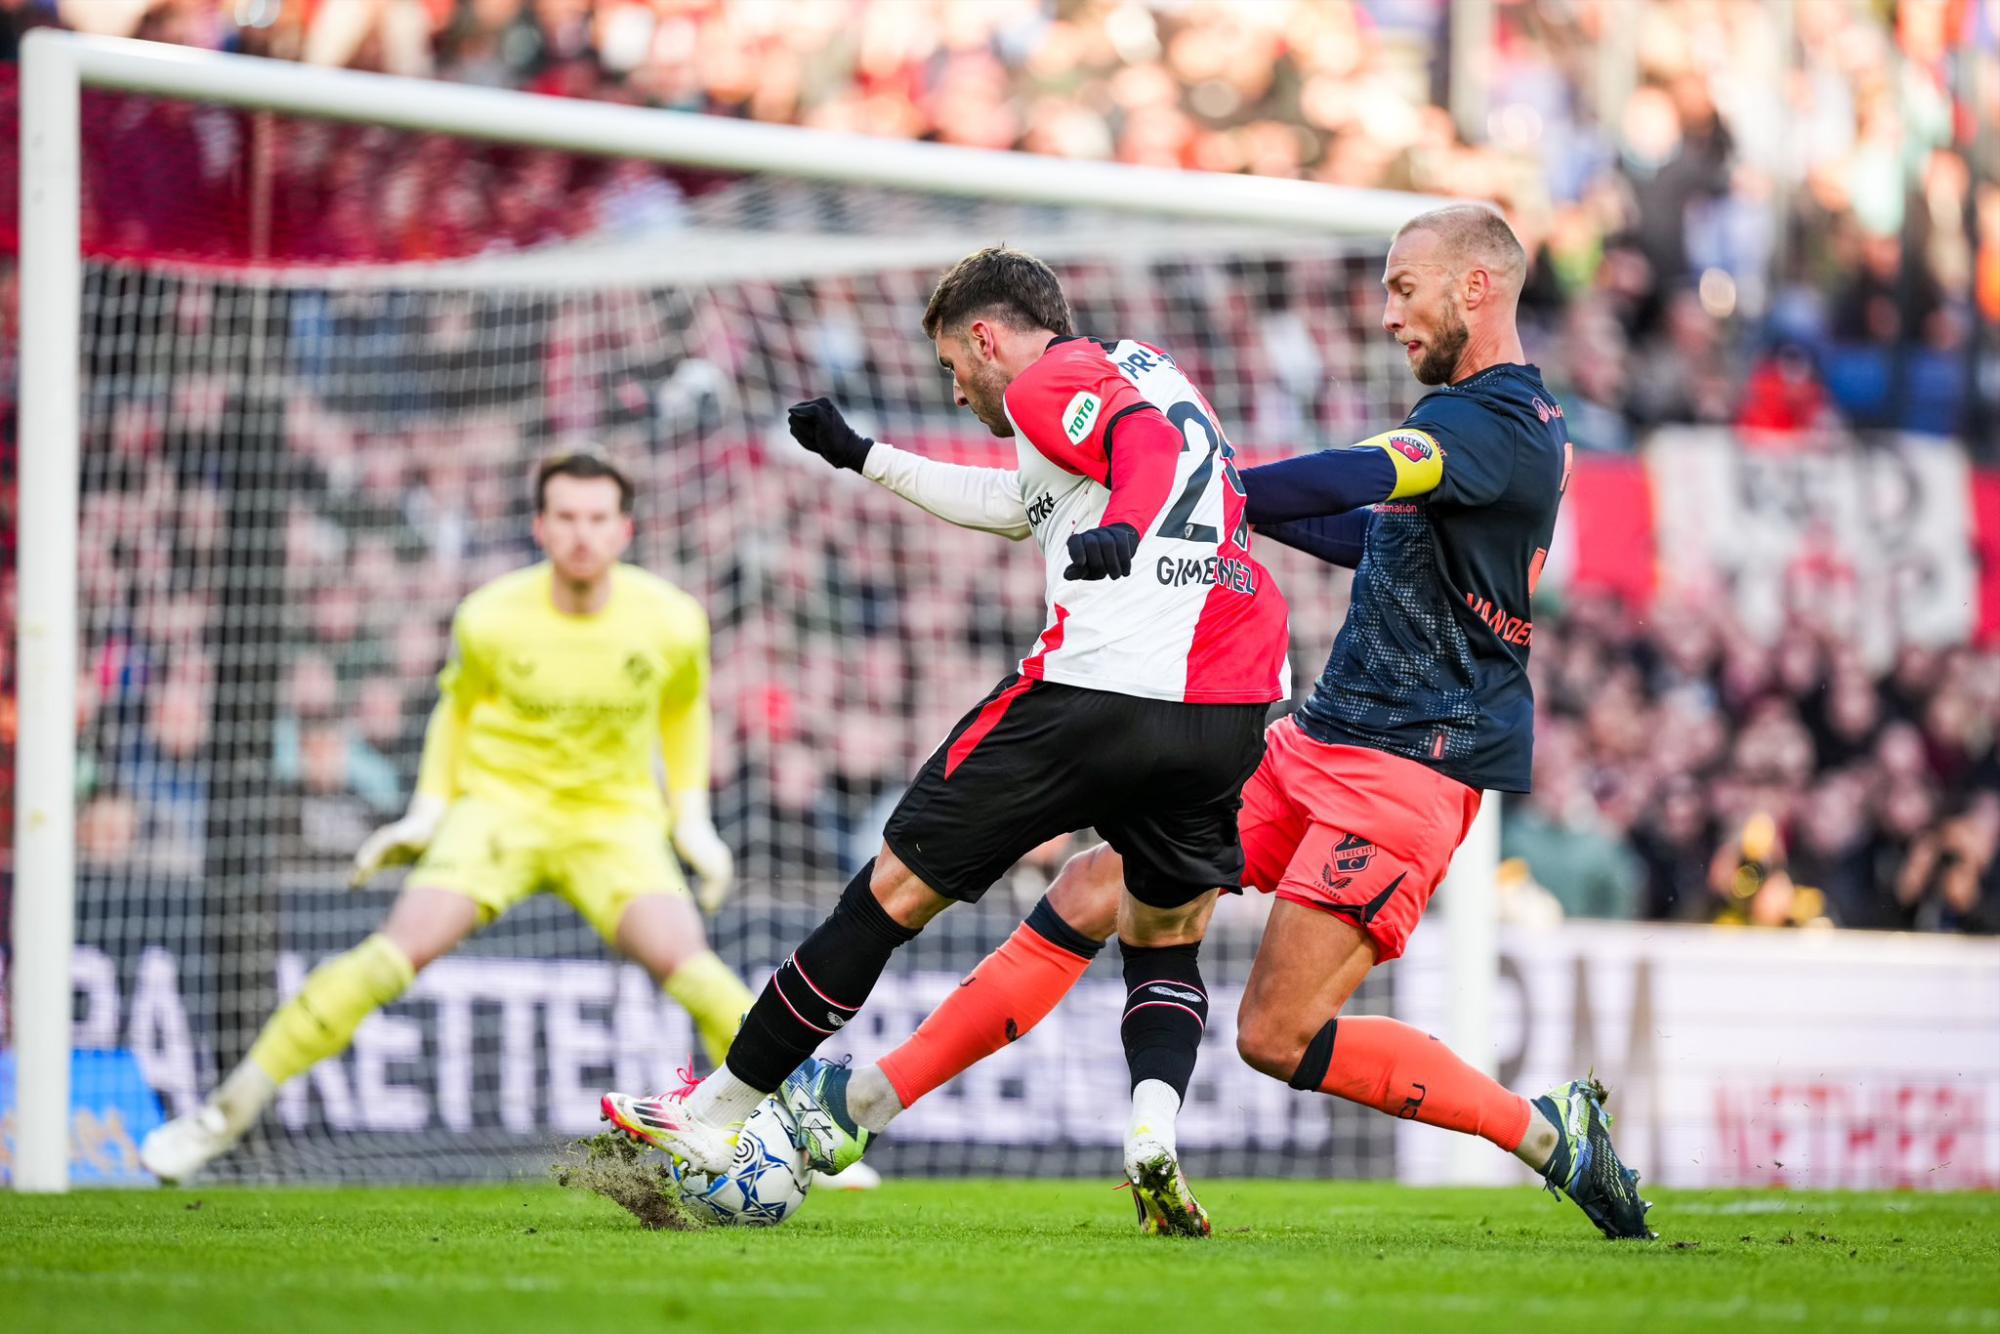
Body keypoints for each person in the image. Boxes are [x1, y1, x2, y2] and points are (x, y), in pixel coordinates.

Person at [780, 206, 1654, 1241]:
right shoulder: (1481, 434)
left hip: (1405, 774)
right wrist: (1218, 500)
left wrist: (1207, 488)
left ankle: (1547, 1133)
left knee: (1276, 1034)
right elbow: (1356, 531)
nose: (1386, 315)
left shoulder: (1490, 425)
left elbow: (1356, 474)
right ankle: (861, 1105)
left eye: (1402, 287)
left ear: (1474, 288)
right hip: (1313, 741)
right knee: (1095, 883)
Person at [602, 245, 1292, 1236]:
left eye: (950, 365)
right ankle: (1150, 1131)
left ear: (985, 335)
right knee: (1162, 929)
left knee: (889, 890)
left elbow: (1135, 451)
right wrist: (862, 455)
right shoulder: (1146, 370)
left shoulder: (1053, 376)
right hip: (1226, 705)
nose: (958, 387)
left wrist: (1129, 532)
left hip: (1100, 684)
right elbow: (1022, 508)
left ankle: (716, 1113)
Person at [141, 451, 753, 1182]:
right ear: (540, 527)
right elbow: (456, 714)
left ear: (624, 529)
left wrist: (691, 819)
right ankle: (219, 1120)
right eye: (566, 517)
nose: (582, 534)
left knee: (699, 975)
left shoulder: (672, 621)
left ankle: (778, 1138)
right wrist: (427, 813)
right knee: (388, 958)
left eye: (597, 518)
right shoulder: (490, 616)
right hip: (499, 810)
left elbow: (685, 712)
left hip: (613, 821)